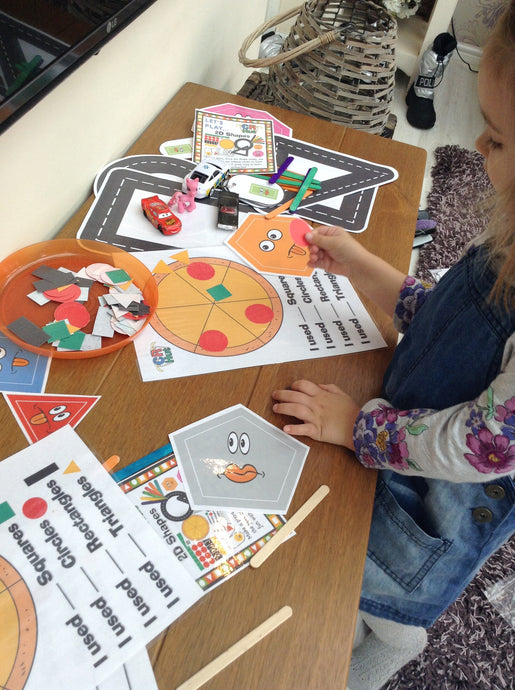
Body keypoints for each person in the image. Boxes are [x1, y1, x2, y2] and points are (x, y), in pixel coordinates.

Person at [271, 3, 515, 688]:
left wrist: (358, 426)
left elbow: (485, 446)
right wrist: (364, 269)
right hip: (404, 437)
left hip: (433, 498)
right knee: (349, 569)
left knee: (374, 597)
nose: (478, 145)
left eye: (497, 139)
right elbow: (452, 323)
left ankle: (389, 647)